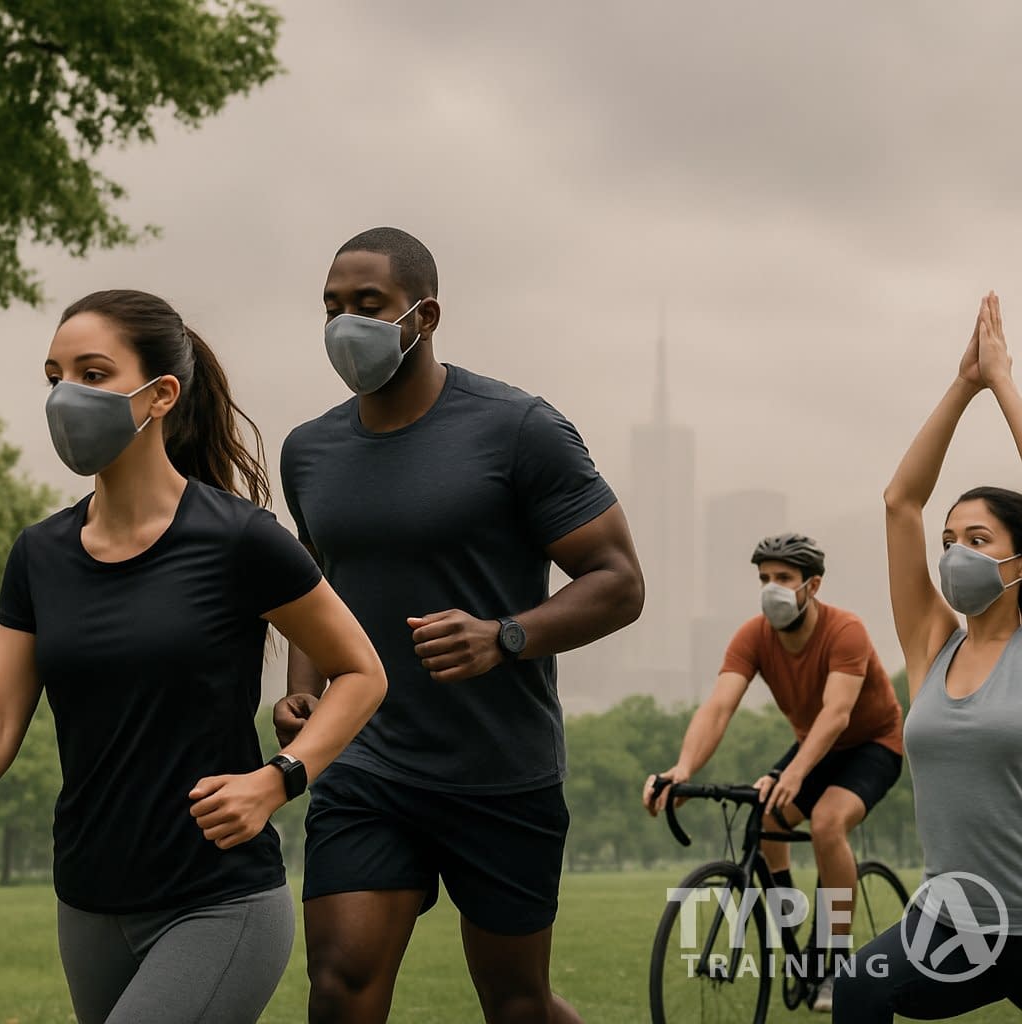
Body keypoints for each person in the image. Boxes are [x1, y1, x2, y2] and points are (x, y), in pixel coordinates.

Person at [276, 226, 645, 1024]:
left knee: (516, 1002)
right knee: (339, 981)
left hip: (499, 769)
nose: (346, 323)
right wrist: (302, 690)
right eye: (332, 306)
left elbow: (619, 582)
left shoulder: (518, 429)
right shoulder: (308, 450)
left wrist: (504, 635)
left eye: (368, 305)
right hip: (367, 765)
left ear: (425, 315)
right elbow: (316, 587)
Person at [0, 290, 387, 1024]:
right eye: (54, 377)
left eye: (91, 374)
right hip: (86, 902)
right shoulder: (36, 556)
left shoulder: (238, 539)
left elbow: (364, 673)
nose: (64, 398)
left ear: (160, 395)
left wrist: (279, 780)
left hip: (218, 901)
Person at [834, 293, 1022, 1020]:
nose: (955, 556)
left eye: (978, 540)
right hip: (951, 923)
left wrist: (1003, 378)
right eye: (950, 542)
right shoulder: (931, 646)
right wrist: (963, 383)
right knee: (857, 989)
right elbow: (899, 504)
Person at [644, 531, 903, 1012]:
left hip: (872, 744)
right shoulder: (753, 636)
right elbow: (719, 707)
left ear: (813, 585)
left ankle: (834, 961)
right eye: (764, 578)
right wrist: (681, 768)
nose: (772, 587)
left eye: (784, 578)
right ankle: (791, 927)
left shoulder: (846, 630)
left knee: (826, 822)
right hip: (814, 746)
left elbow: (837, 714)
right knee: (765, 817)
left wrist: (795, 774)